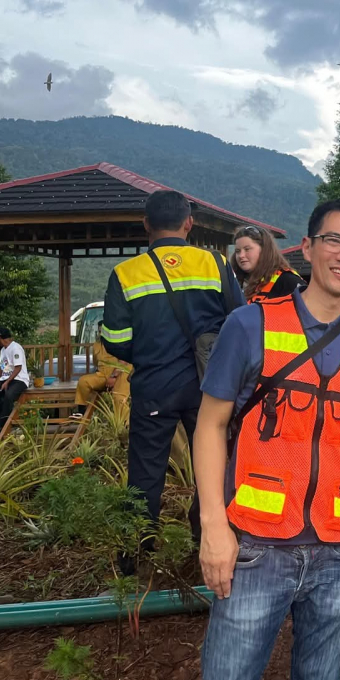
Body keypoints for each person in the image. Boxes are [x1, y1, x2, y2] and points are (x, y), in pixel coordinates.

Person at [194, 198, 340, 680]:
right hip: (255, 546)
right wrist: (214, 525)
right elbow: (209, 426)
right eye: (335, 240)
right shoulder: (250, 325)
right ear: (307, 248)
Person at [100, 190, 243, 547]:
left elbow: (114, 338)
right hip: (209, 385)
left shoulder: (125, 273)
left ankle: (137, 551)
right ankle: (208, 538)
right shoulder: (216, 264)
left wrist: (149, 354)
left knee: (145, 471)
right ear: (189, 223)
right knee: (215, 466)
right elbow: (241, 322)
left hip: (154, 385)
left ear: (146, 224)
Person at [232, 224, 305, 303]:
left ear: (264, 250)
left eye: (247, 249)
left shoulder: (287, 280)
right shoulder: (235, 283)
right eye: (237, 251)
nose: (241, 255)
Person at [71, 339, 132, 420]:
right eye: (100, 330)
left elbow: (124, 360)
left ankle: (125, 424)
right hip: (103, 374)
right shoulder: (97, 344)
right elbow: (96, 362)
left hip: (121, 373)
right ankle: (81, 412)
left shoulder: (120, 340)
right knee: (83, 381)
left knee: (118, 397)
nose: (101, 331)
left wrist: (113, 376)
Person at [0, 327, 31, 433]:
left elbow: (18, 368)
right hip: (6, 377)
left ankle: (1, 423)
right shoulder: (3, 350)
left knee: (9, 395)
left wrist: (7, 382)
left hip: (19, 379)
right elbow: (1, 369)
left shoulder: (16, 348)